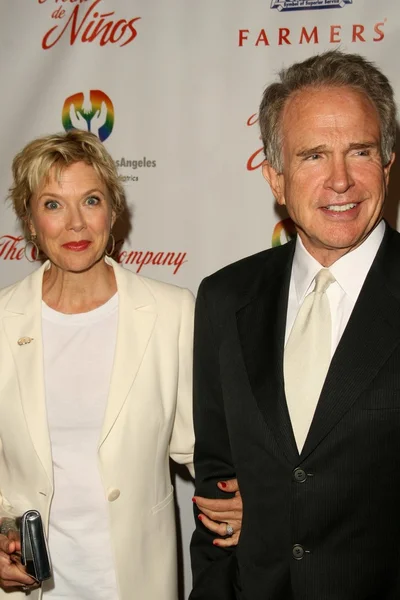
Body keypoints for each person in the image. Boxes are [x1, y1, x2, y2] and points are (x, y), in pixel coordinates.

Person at [190, 50, 400, 600]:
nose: (340, 180)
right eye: (313, 156)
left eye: (360, 151)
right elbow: (218, 482)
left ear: (387, 161)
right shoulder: (224, 298)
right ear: (276, 179)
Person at [0, 130, 241, 600]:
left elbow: (204, 447)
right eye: (52, 205)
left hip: (137, 581)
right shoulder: (1, 322)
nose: (74, 224)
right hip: (28, 588)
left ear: (113, 211)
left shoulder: (170, 311)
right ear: (30, 221)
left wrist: (248, 496)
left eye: (90, 200)